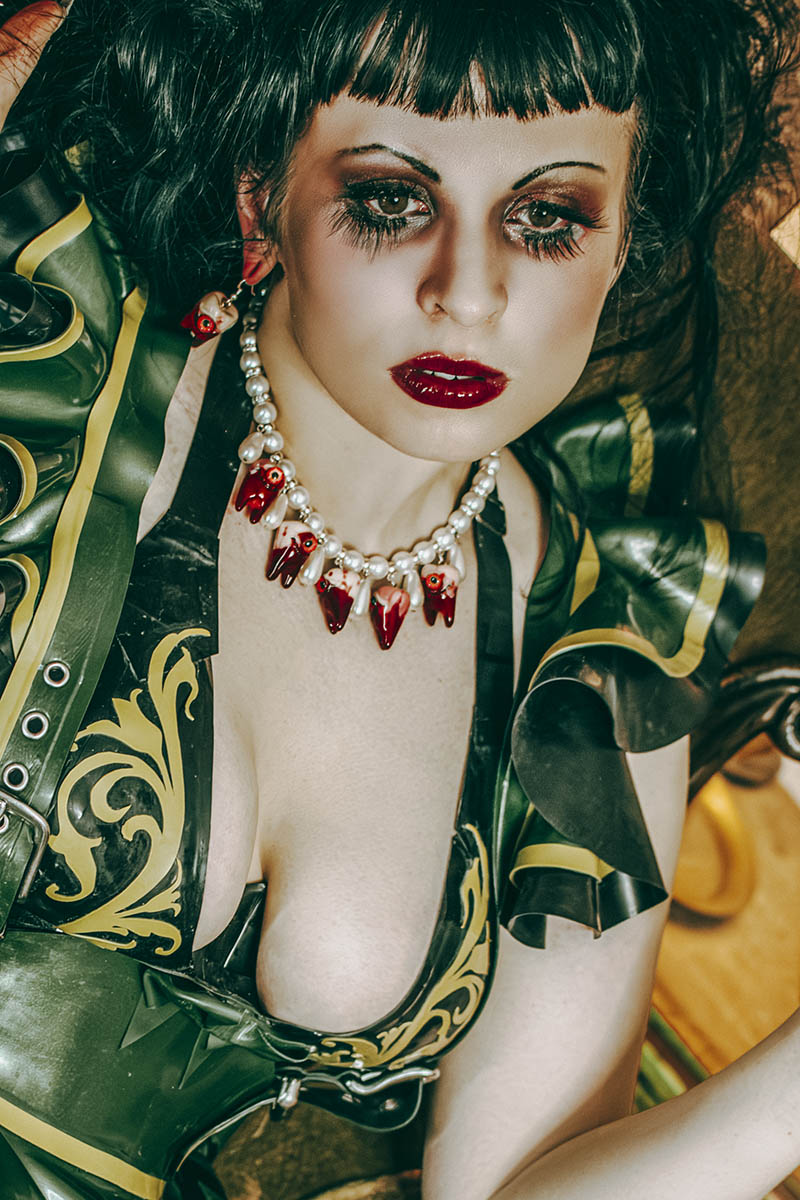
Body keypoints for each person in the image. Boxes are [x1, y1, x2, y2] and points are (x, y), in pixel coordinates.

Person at [0, 1, 797, 1198]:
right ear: (261, 191)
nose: (465, 293)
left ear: (623, 236)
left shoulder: (599, 648)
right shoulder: (44, 373)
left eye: (545, 218)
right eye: (388, 199)